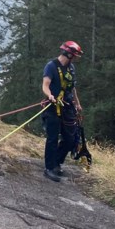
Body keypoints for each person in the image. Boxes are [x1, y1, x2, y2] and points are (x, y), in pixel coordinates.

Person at [41, 41, 84, 182]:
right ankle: (49, 168)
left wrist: (77, 104)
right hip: (52, 107)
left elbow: (72, 88)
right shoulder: (51, 66)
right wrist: (50, 96)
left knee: (70, 139)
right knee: (52, 138)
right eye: (75, 55)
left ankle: (57, 163)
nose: (76, 59)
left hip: (67, 107)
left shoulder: (71, 68)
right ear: (69, 54)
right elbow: (45, 85)